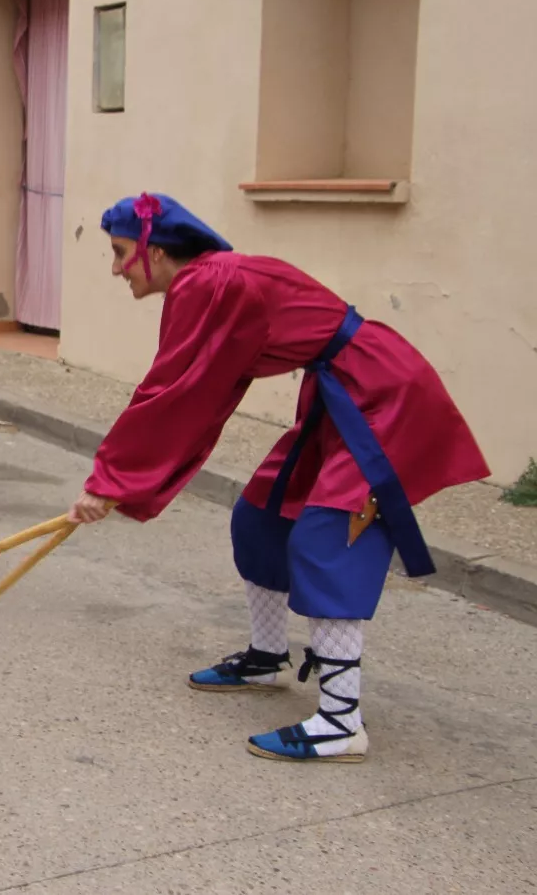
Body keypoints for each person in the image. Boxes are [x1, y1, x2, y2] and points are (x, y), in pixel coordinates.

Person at [64, 193, 489, 763]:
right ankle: (267, 658)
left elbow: (174, 393)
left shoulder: (207, 283)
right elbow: (197, 388)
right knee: (263, 513)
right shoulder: (207, 281)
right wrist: (120, 480)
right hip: (340, 390)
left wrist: (110, 482)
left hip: (381, 394)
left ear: (155, 251)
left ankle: (341, 722)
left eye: (120, 252)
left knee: (329, 537)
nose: (116, 268)